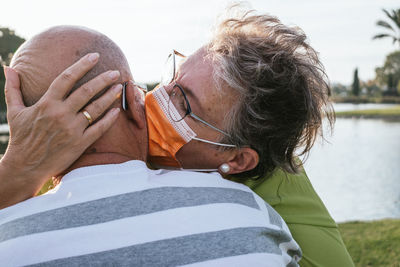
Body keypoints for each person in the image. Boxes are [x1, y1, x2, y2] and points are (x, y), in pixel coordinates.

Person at [0, 7, 354, 267]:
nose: (150, 98)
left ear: (235, 159)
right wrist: (22, 164)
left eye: (183, 103)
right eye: (172, 79)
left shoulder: (268, 211)